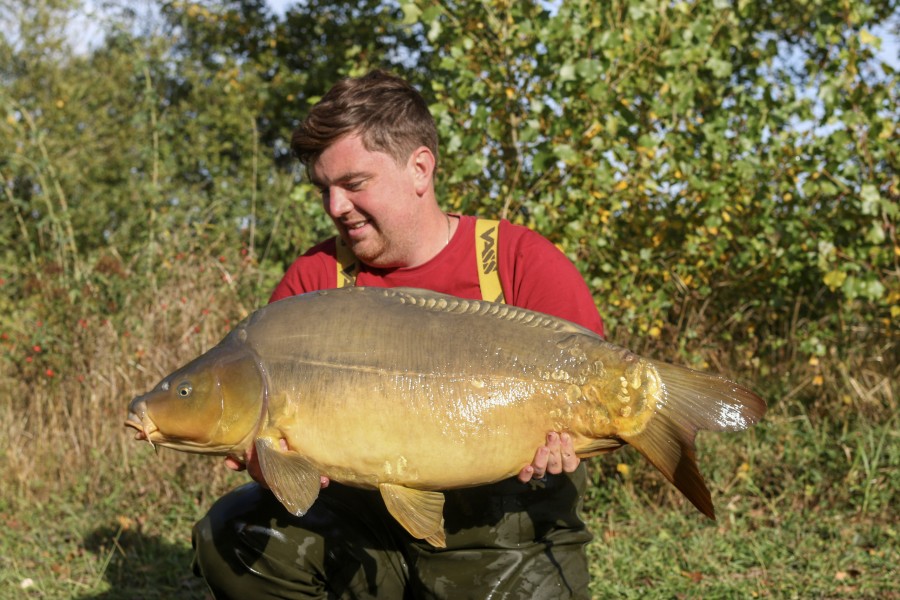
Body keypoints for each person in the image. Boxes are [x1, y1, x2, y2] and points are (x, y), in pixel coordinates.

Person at [192, 70, 605, 599]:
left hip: (503, 527)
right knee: (238, 533)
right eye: (324, 189)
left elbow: (597, 395)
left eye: (354, 184)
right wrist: (268, 457)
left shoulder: (517, 262)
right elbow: (271, 433)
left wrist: (568, 444)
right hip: (361, 528)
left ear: (420, 168)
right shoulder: (315, 280)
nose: (335, 207)